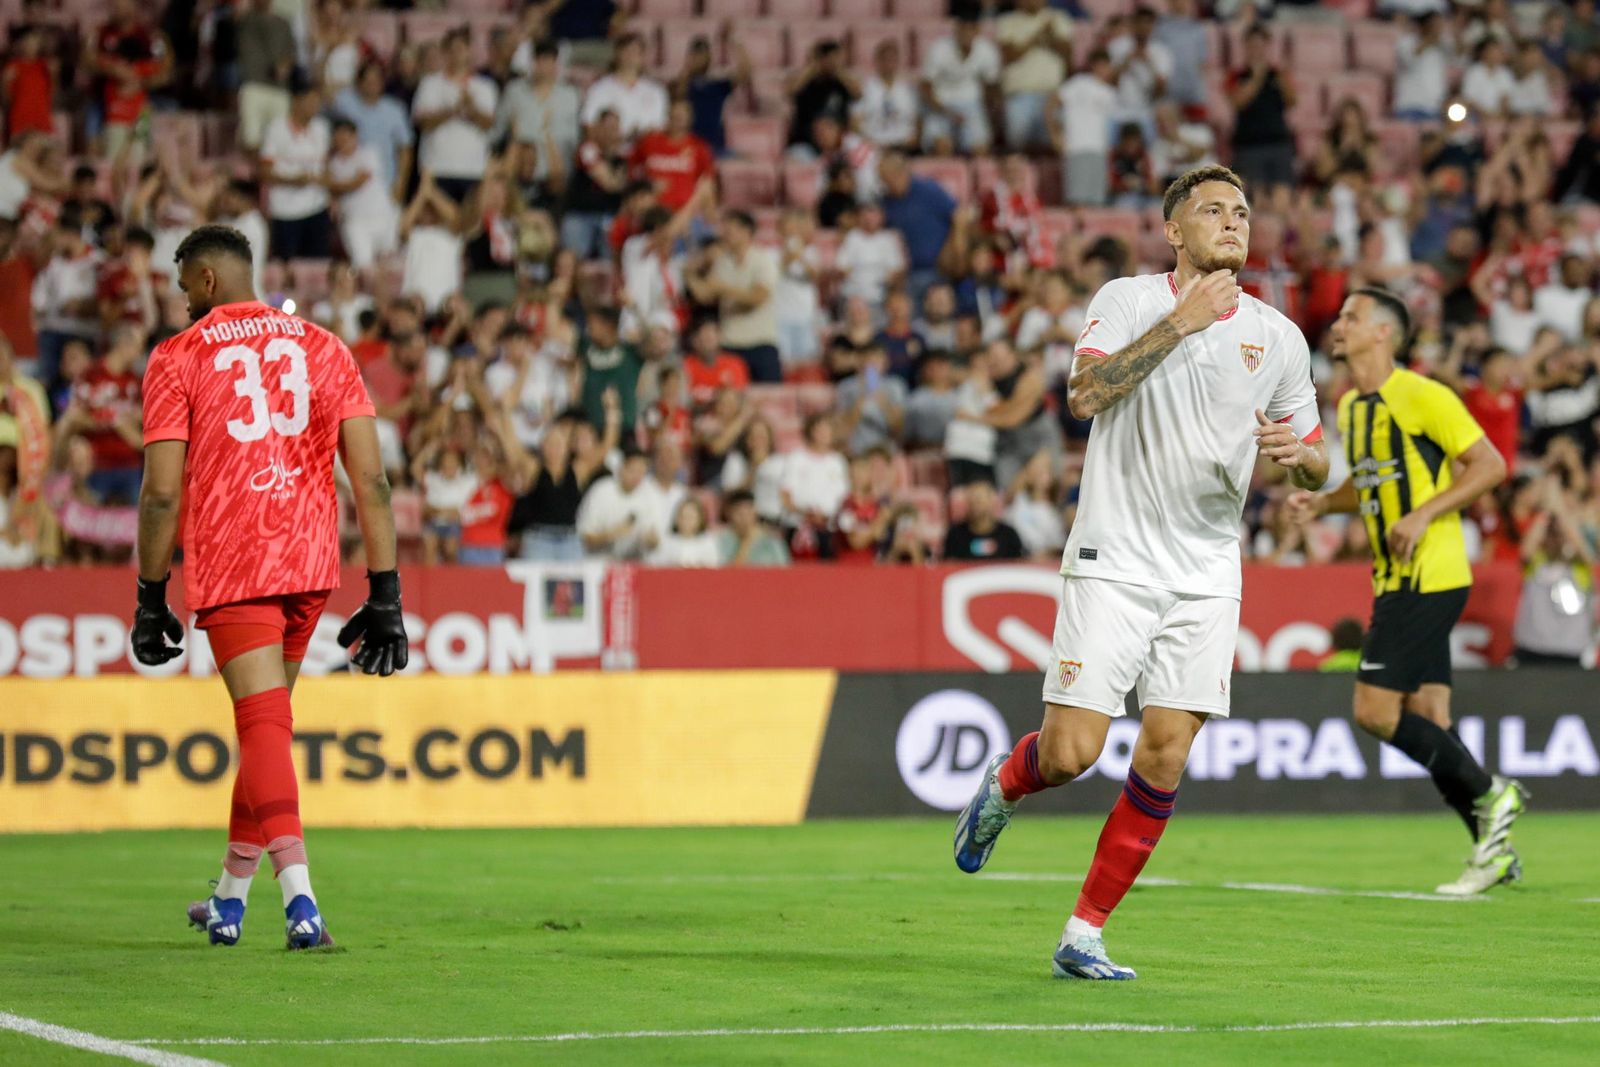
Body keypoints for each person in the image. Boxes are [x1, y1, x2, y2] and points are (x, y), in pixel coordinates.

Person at [952, 166, 1329, 980]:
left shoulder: (1280, 335)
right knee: (1071, 754)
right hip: (1114, 557)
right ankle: (1005, 785)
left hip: (1206, 569)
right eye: (1213, 210)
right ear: (1173, 230)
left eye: (1242, 209)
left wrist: (1301, 461)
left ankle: (1084, 930)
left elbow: (1316, 457)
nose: (1233, 221)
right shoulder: (1126, 299)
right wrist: (1180, 325)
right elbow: (1085, 395)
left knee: (1164, 754)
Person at [132, 225, 406, 951]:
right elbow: (372, 480)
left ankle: (302, 901)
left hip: (234, 557)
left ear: (209, 281)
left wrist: (149, 592)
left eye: (186, 283)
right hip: (310, 561)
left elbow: (162, 495)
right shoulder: (323, 346)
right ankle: (228, 898)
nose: (183, 296)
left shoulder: (177, 355)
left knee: (260, 726)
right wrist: (386, 592)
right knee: (268, 725)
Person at [1285, 286, 1521, 897]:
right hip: (1396, 578)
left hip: (1429, 575)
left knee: (1373, 710)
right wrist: (1324, 502)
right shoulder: (1351, 407)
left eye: (1351, 316)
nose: (1337, 324)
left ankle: (1494, 795)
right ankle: (1492, 850)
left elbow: (1491, 465)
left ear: (1384, 333)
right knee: (1431, 718)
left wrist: (1422, 517)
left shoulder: (1422, 394)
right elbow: (1368, 487)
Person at [412, 29, 499, 205]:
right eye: (452, 49)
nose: (457, 54)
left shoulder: (484, 86)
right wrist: (453, 110)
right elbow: (423, 123)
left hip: (473, 169)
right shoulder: (430, 84)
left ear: (470, 51)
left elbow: (489, 123)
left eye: (462, 48)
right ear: (445, 53)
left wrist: (471, 109)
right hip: (437, 168)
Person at [995, 0, 1073, 152]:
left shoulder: (1058, 18)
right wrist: (1038, 36)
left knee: (1057, 142)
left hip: (1051, 94)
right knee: (1017, 142)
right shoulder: (1008, 20)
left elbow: (1068, 56)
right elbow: (1008, 55)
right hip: (1019, 93)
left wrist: (1052, 35)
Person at [919, 10, 999, 155]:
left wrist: (989, 114)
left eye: (971, 29)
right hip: (941, 103)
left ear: (977, 31)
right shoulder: (939, 49)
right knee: (942, 147)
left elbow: (991, 86)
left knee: (981, 148)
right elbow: (925, 87)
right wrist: (947, 112)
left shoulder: (987, 50)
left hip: (971, 104)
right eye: (963, 29)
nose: (966, 34)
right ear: (956, 30)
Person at [718, 488, 789, 566]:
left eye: (748, 512)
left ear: (755, 511)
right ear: (729, 514)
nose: (744, 518)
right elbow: (728, 573)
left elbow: (785, 570)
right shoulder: (722, 540)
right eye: (739, 513)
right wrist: (747, 542)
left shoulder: (773, 540)